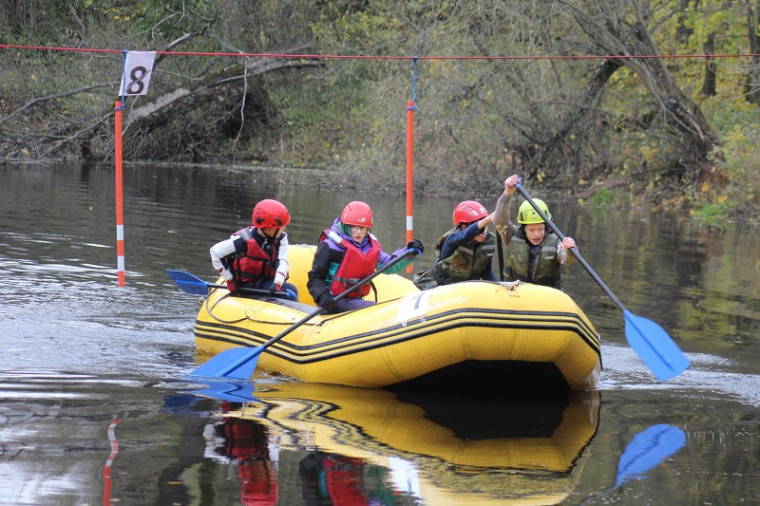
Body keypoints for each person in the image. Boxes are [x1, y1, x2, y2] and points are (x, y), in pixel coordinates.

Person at [307, 201, 423, 313]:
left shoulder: (369, 247)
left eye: (363, 228)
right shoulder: (330, 246)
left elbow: (389, 266)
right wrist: (322, 296)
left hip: (354, 300)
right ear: (346, 226)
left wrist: (409, 252)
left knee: (370, 308)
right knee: (373, 309)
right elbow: (315, 277)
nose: (359, 232)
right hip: (333, 301)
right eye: (354, 227)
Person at [493, 174, 577, 289]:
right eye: (531, 230)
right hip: (515, 292)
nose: (536, 234)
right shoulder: (511, 234)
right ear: (523, 228)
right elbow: (499, 220)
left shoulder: (556, 241)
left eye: (540, 229)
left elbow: (567, 260)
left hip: (545, 296)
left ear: (546, 226)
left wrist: (570, 250)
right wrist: (507, 193)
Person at [210, 198, 299, 300]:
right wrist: (229, 280)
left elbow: (282, 262)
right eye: (281, 226)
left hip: (265, 283)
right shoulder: (242, 241)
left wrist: (277, 282)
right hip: (245, 286)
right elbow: (215, 252)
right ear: (270, 229)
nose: (284, 228)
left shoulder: (281, 238)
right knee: (287, 295)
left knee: (292, 290)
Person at [413, 200, 497, 290]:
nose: (483, 231)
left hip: (465, 288)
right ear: (464, 227)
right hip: (440, 284)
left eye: (486, 226)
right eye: (481, 227)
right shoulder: (452, 239)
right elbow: (464, 235)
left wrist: (498, 287)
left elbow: (486, 272)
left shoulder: (488, 241)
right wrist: (487, 219)